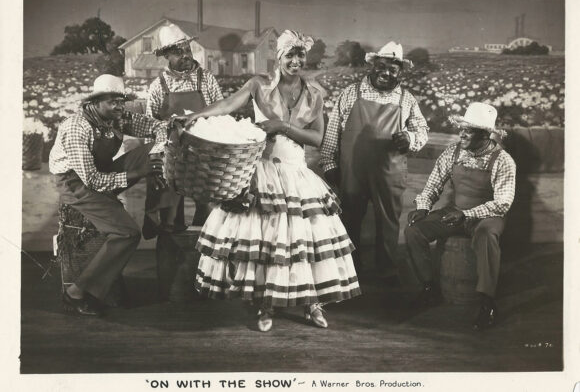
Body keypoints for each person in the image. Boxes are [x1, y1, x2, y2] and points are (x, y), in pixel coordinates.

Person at [182, 30, 361, 332]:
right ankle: (266, 305)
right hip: (262, 169)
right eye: (289, 55)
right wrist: (195, 116)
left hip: (295, 172)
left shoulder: (314, 93)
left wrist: (281, 125)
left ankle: (311, 303)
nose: (295, 60)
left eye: (300, 55)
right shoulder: (258, 85)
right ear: (278, 57)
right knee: (267, 240)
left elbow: (317, 138)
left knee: (302, 241)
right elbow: (226, 105)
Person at [49, 74, 168, 316]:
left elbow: (157, 126)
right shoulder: (76, 127)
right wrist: (137, 174)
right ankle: (76, 292)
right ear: (95, 102)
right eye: (112, 101)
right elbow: (91, 180)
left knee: (151, 153)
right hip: (74, 182)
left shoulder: (117, 117)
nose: (119, 106)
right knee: (127, 232)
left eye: (121, 101)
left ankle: (156, 215)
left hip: (99, 172)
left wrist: (159, 148)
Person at [319, 42, 429, 282]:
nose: (386, 73)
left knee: (388, 222)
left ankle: (386, 272)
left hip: (389, 170)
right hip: (353, 170)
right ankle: (348, 272)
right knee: (349, 219)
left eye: (393, 69)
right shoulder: (351, 93)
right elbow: (333, 131)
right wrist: (329, 163)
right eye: (382, 66)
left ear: (400, 72)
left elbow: (422, 131)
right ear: (372, 66)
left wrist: (409, 139)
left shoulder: (406, 99)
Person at [405, 102, 516, 330]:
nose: (462, 133)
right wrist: (423, 206)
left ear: (485, 134)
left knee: (486, 236)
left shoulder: (503, 160)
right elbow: (434, 183)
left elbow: (503, 203)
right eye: (462, 128)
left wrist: (466, 214)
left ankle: (487, 303)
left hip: (487, 216)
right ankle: (429, 289)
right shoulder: (454, 151)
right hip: (455, 212)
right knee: (414, 231)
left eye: (469, 130)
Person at [144, 24, 224, 299]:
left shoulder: (207, 80)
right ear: (166, 56)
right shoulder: (158, 86)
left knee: (212, 217)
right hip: (171, 158)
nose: (185, 55)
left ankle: (209, 283)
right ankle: (167, 287)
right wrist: (168, 130)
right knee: (168, 220)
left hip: (204, 157)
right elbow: (150, 124)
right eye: (177, 52)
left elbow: (222, 114)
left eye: (186, 49)